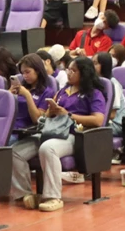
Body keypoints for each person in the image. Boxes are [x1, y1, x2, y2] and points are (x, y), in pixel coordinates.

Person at [8, 55, 108, 212]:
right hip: (51, 130)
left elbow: (98, 120)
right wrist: (51, 112)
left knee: (48, 148)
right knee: (15, 152)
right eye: (68, 69)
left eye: (73, 70)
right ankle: (25, 194)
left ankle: (53, 197)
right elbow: (47, 115)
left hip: (74, 135)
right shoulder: (62, 91)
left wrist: (67, 115)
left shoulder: (94, 93)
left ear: (84, 72)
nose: (69, 73)